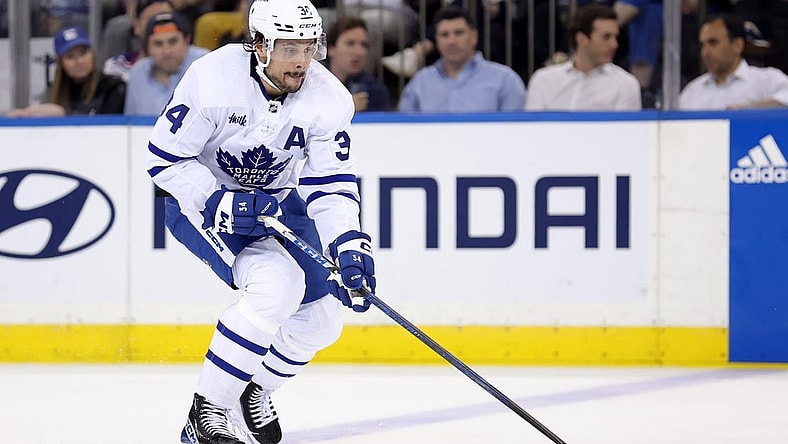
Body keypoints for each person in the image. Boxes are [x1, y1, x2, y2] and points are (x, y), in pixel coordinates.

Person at [145, 0, 375, 442]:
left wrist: (348, 243)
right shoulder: (213, 78)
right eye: (289, 47)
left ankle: (252, 390)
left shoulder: (329, 99)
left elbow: (331, 183)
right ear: (259, 45)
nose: (301, 60)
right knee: (275, 285)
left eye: (308, 47)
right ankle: (206, 410)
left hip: (276, 201)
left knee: (323, 320)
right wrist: (216, 200)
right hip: (199, 201)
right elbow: (164, 159)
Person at [397, 6, 526, 113]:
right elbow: (404, 131)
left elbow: (516, 132)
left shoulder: (505, 80)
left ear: (474, 37)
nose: (451, 41)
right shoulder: (420, 82)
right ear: (437, 40)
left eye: (459, 33)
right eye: (444, 35)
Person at [526, 3, 641, 111]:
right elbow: (532, 129)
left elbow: (625, 131)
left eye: (615, 37)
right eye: (606, 37)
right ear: (581, 39)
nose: (614, 45)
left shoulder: (625, 84)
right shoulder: (543, 80)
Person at [7, 26, 126, 117]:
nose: (79, 61)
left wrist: (64, 114)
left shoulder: (113, 88)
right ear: (61, 63)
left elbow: (108, 128)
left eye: (83, 53)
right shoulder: (52, 92)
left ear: (92, 55)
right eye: (70, 56)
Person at [679, 13, 788, 110]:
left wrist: (748, 111)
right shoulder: (692, 92)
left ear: (737, 45)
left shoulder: (767, 80)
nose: (705, 53)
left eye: (713, 43)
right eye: (702, 45)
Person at [124, 12, 209, 115]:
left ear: (187, 41)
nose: (167, 51)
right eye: (158, 44)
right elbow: (131, 125)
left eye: (173, 42)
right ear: (147, 47)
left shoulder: (205, 63)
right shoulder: (138, 73)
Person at [325, 16, 390, 112]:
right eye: (350, 44)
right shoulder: (312, 85)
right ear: (331, 49)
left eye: (364, 45)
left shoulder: (375, 90)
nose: (359, 52)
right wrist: (347, 108)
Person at [102, 0, 175, 82]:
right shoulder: (116, 67)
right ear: (136, 26)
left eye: (166, 20)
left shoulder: (189, 67)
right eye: (151, 19)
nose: (159, 27)